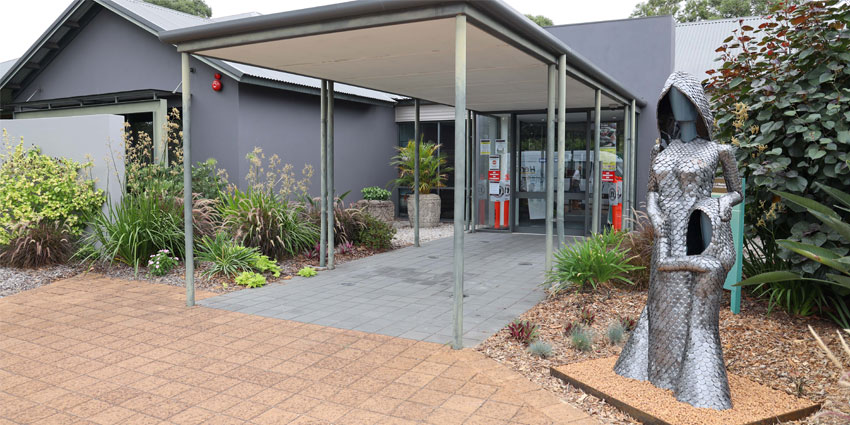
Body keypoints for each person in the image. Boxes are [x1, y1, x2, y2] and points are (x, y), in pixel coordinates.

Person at [613, 71, 742, 410]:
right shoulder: (661, 149)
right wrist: (654, 215)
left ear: (700, 106)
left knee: (695, 302)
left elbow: (737, 191)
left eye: (685, 99)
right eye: (672, 100)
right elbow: (652, 191)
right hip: (664, 236)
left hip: (697, 232)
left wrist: (724, 203)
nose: (679, 106)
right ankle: (656, 369)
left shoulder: (719, 150)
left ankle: (695, 379)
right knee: (661, 300)